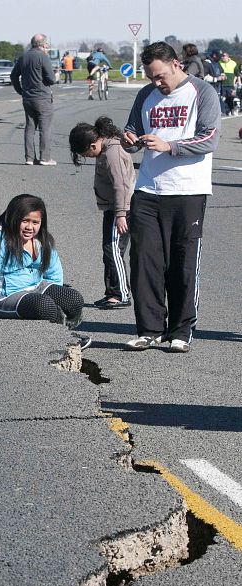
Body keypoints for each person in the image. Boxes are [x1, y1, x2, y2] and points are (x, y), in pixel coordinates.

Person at [122, 41, 221, 353]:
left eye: (161, 75)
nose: (157, 82)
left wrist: (170, 146)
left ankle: (180, 331)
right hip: (148, 189)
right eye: (151, 77)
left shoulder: (202, 92)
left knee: (182, 264)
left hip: (188, 190)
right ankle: (149, 329)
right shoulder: (145, 95)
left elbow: (209, 138)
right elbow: (132, 131)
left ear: (177, 64)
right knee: (145, 263)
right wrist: (130, 140)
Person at [0, 194, 84, 327]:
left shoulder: (42, 240)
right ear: (13, 219)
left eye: (35, 222)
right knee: (44, 306)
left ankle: (57, 313)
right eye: (25, 221)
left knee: (74, 299)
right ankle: (61, 324)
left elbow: (54, 272)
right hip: (5, 297)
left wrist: (58, 298)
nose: (29, 227)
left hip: (36, 287)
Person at [69, 116, 135, 310]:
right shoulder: (104, 150)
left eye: (85, 153)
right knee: (109, 251)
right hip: (113, 208)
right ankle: (112, 293)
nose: (87, 157)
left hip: (121, 209)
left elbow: (120, 184)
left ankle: (121, 294)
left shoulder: (112, 152)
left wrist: (121, 213)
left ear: (92, 144)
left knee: (113, 250)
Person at [10, 34, 56, 166]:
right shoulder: (43, 56)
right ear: (43, 44)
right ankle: (45, 158)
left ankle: (29, 158)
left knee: (30, 127)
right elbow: (51, 79)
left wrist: (20, 90)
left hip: (28, 97)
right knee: (45, 128)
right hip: (42, 97)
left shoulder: (23, 56)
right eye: (46, 44)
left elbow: (14, 75)